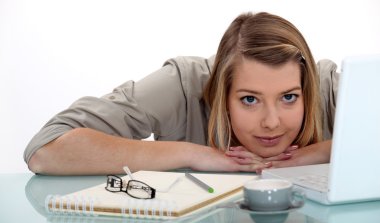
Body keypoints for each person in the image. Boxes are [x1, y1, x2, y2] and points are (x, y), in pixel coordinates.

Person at [24, 12, 338, 175]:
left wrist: (320, 152)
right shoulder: (183, 84)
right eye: (249, 100)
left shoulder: (327, 86)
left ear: (306, 88)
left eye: (288, 98)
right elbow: (46, 149)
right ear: (220, 94)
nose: (272, 123)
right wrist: (196, 154)